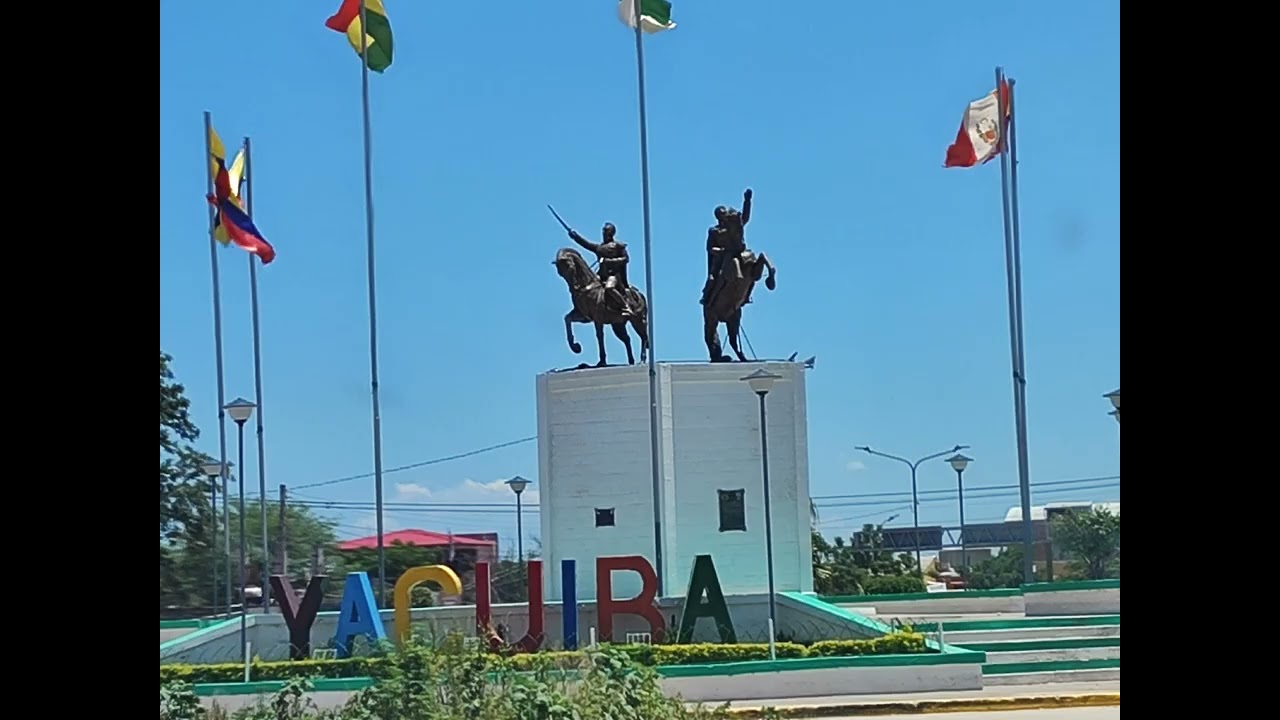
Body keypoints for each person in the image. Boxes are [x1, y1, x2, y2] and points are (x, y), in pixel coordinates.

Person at [701, 188, 754, 306]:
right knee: (713, 279)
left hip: (738, 253)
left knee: (751, 266)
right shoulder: (714, 231)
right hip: (724, 256)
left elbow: (745, 218)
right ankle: (707, 297)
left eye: (725, 214)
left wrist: (747, 201)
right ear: (718, 217)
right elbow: (710, 248)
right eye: (722, 215)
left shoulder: (733, 227)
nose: (725, 217)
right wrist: (720, 251)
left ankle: (747, 295)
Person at [568, 222, 633, 317]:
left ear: (610, 233)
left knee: (609, 288)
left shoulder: (618, 246)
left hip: (613, 275)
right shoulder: (600, 248)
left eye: (605, 231)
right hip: (601, 275)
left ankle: (625, 306)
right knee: (587, 287)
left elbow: (625, 259)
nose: (603, 233)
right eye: (603, 231)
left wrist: (608, 261)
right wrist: (575, 236)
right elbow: (586, 244)